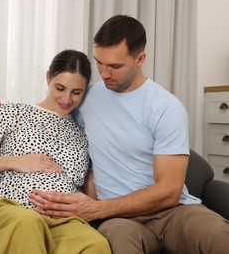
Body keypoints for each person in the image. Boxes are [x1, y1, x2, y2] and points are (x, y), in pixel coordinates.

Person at [27, 15, 229, 253]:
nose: (104, 73)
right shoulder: (88, 97)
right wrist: (7, 117)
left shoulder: (166, 107)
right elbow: (52, 114)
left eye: (115, 66)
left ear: (140, 59)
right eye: (99, 62)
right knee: (121, 241)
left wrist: (96, 209)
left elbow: (170, 190)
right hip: (119, 220)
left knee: (216, 234)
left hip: (173, 212)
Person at [0, 49, 111, 254]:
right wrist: (16, 161)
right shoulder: (12, 112)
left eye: (77, 92)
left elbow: (90, 193)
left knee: (96, 244)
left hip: (63, 222)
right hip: (12, 211)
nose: (67, 99)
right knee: (29, 223)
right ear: (48, 78)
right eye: (60, 88)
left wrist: (87, 204)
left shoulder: (85, 134)